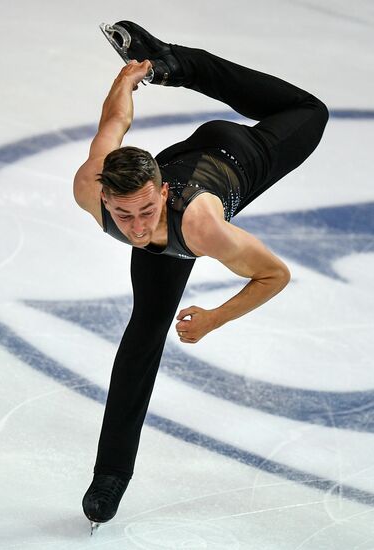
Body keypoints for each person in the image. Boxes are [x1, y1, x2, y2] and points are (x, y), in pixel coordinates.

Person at [73, 21, 329, 529]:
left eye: (145, 212)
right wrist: (124, 81)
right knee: (144, 331)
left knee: (308, 112)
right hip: (177, 166)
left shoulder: (202, 226)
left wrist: (215, 317)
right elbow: (113, 124)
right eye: (123, 216)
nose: (137, 228)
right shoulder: (91, 186)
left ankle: (178, 63)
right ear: (104, 198)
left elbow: (273, 275)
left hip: (237, 154)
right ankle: (110, 478)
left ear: (161, 194)